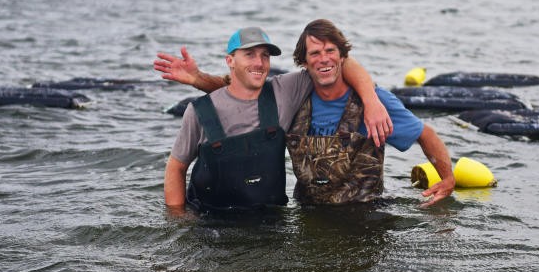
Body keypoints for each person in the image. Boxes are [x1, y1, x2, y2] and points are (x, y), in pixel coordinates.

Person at [155, 20, 455, 209]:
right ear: (304, 63)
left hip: (363, 217)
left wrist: (448, 179)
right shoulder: (295, 96)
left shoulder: (372, 103)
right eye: (314, 54)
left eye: (329, 52)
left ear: (342, 57)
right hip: (305, 217)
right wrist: (198, 79)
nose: (323, 59)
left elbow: (425, 134)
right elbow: (240, 89)